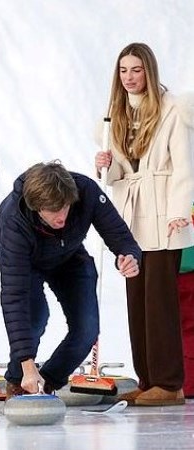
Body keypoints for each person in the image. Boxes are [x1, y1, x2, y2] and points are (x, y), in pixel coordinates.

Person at [94, 42, 194, 406]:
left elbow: (184, 166)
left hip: (167, 216)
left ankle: (169, 383)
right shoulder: (117, 116)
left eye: (136, 70)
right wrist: (106, 163)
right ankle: (147, 378)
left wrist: (179, 211)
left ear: (148, 71)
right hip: (132, 218)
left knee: (160, 302)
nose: (129, 78)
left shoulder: (172, 111)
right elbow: (121, 174)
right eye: (123, 71)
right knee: (136, 300)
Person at [0, 161, 141, 398]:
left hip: (69, 255)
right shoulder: (14, 222)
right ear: (37, 207)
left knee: (87, 331)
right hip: (26, 262)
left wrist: (130, 256)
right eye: (53, 210)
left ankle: (46, 383)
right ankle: (19, 380)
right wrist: (27, 365)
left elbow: (121, 236)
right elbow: (14, 299)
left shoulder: (86, 191)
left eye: (65, 207)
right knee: (35, 318)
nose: (62, 215)